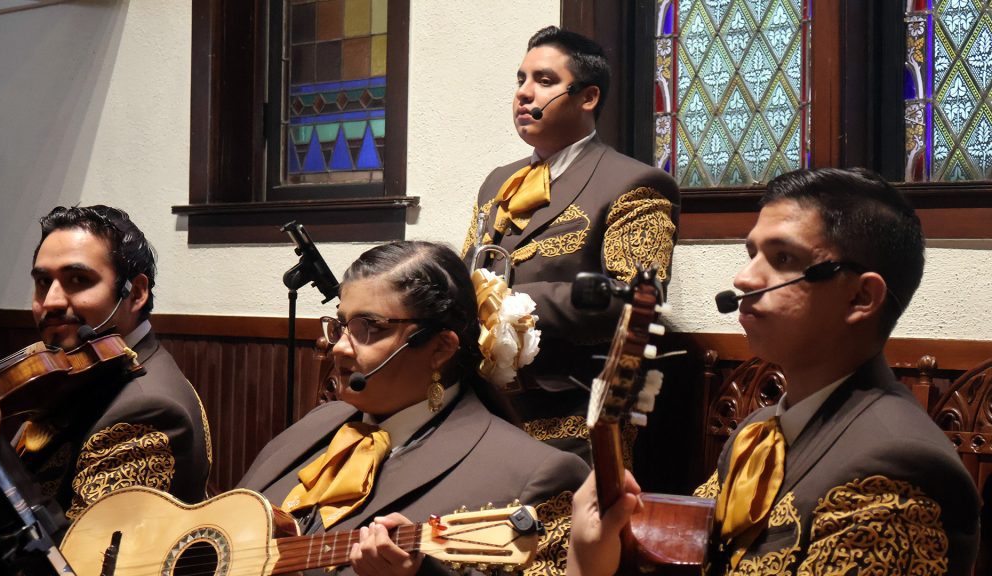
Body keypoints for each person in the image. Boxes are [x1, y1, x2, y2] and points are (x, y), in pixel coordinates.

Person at [568, 168, 980, 576]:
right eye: (753, 254)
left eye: (783, 258)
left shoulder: (899, 471)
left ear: (861, 297)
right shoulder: (757, 429)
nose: (744, 278)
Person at [238, 241, 589, 576]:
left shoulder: (536, 476)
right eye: (342, 325)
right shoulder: (319, 422)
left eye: (369, 328)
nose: (340, 348)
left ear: (439, 347)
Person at [461, 26, 679, 463]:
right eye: (520, 80)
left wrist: (510, 303)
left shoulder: (634, 183)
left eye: (544, 81)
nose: (524, 94)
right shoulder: (497, 182)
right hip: (482, 407)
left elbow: (639, 301)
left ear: (588, 97)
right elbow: (469, 274)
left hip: (571, 415)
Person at [0, 205, 212, 523]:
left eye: (78, 279)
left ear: (135, 293)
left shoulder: (151, 410)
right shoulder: (76, 370)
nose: (51, 301)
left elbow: (74, 559)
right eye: (43, 283)